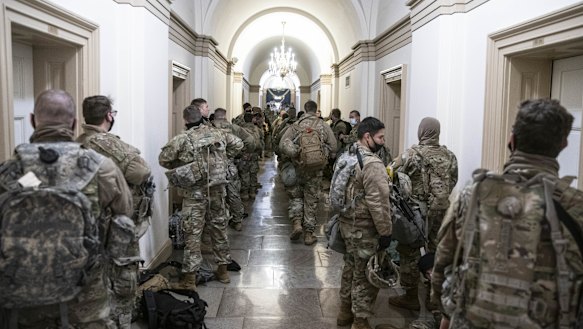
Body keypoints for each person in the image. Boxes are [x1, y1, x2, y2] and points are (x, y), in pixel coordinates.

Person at [432, 99, 583, 329]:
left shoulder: (474, 194)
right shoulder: (576, 207)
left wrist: (445, 313)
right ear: (563, 144)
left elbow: (443, 261)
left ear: (511, 140)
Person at [0, 89, 133, 328]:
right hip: (85, 294)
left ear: (32, 121)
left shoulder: (9, 172)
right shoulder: (101, 168)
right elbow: (125, 215)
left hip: (20, 294)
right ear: (73, 124)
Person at [76, 95, 152, 328]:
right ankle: (121, 321)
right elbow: (141, 171)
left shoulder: (75, 142)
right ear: (109, 115)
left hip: (82, 229)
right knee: (121, 279)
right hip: (113, 226)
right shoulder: (104, 143)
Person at [159, 101, 243, 288]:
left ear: (185, 120)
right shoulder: (218, 133)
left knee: (192, 234)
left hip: (194, 193)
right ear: (202, 117)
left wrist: (183, 166)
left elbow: (163, 159)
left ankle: (189, 279)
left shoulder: (182, 139)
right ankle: (222, 271)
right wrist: (223, 159)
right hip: (218, 190)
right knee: (219, 229)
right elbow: (238, 144)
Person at [387, 117, 458, 313]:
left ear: (421, 131)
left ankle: (411, 297)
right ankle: (433, 299)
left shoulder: (412, 154)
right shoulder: (449, 155)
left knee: (409, 250)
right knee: (436, 251)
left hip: (418, 212)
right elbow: (453, 180)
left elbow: (390, 173)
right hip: (442, 211)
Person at [336, 117, 392, 329]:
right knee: (365, 274)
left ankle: (344, 312)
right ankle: (360, 320)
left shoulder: (347, 156)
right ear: (367, 137)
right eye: (380, 137)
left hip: (347, 224)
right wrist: (385, 232)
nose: (383, 141)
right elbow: (379, 203)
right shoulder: (373, 164)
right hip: (365, 228)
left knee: (350, 267)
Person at [279, 100, 337, 245]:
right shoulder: (323, 125)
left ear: (304, 109)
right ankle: (309, 235)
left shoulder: (295, 125)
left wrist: (295, 153)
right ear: (316, 110)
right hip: (315, 170)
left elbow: (282, 144)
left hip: (298, 168)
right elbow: (334, 146)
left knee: (296, 197)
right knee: (311, 201)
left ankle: (297, 224)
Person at [212, 107, 256, 231]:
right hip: (229, 165)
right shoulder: (234, 128)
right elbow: (251, 141)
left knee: (214, 195)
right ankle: (237, 221)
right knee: (233, 193)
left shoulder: (210, 129)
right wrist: (240, 153)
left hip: (213, 167)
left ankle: (218, 223)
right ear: (225, 116)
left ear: (214, 116)